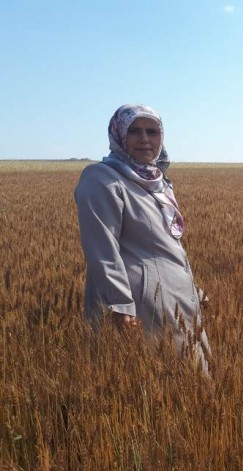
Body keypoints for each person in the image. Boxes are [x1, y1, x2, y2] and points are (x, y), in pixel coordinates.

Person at [74, 104, 211, 373]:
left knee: (192, 384)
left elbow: (166, 245)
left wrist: (195, 291)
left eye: (153, 131)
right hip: (139, 305)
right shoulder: (102, 178)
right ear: (119, 134)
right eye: (135, 131)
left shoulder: (158, 180)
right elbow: (102, 248)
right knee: (149, 383)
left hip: (179, 300)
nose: (145, 139)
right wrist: (120, 305)